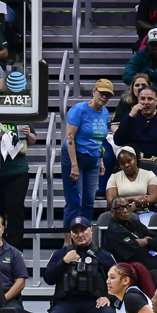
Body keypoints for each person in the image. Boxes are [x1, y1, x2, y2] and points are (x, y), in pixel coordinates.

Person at [61, 78, 113, 227]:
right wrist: (74, 165)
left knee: (89, 201)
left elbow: (99, 138)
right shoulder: (79, 110)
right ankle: (68, 237)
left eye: (107, 95)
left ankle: (85, 234)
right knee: (74, 201)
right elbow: (70, 137)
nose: (104, 97)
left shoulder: (104, 112)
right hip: (75, 155)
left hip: (93, 158)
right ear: (94, 91)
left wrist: (101, 160)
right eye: (101, 93)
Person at [0, 213, 28, 309]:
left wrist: (2, 299)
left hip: (8, 299)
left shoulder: (14, 253)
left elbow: (21, 282)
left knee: (10, 311)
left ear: (3, 229)